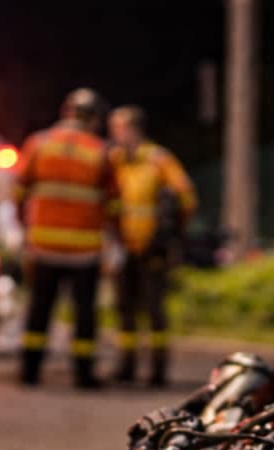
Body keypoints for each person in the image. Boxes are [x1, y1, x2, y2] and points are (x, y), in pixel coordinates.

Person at [17, 88, 117, 388]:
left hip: (43, 244)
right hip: (84, 250)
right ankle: (83, 373)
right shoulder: (100, 151)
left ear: (66, 112)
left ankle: (30, 370)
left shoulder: (39, 143)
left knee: (39, 308)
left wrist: (24, 230)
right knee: (84, 313)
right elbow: (113, 202)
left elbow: (19, 192)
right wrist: (115, 241)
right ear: (94, 118)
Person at [108, 106, 197, 387]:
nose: (115, 135)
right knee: (125, 308)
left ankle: (158, 369)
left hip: (153, 247)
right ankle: (126, 365)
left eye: (119, 129)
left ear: (133, 130)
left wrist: (171, 233)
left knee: (154, 309)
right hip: (123, 246)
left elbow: (186, 198)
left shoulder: (158, 160)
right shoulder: (114, 161)